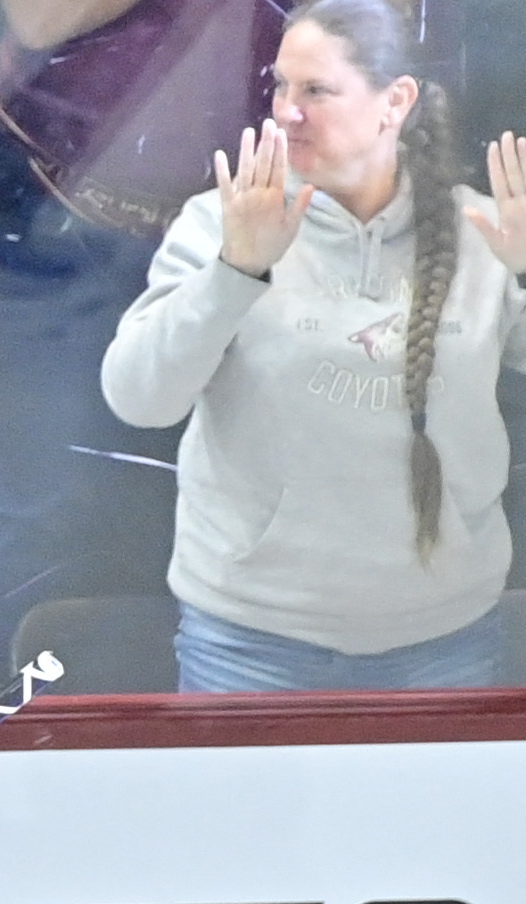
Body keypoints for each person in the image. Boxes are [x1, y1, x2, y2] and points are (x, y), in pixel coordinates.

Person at [102, 0, 526, 693]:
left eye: (316, 91)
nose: (284, 113)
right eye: (279, 86)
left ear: (394, 102)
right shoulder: (221, 220)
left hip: (443, 641)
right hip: (249, 642)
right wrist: (234, 271)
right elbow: (137, 399)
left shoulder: (483, 227)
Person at [0, 0, 286, 674]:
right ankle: (3, 728)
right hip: (74, 223)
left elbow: (377, 39)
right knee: (44, 496)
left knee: (256, 501)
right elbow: (36, 20)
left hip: (270, 221)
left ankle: (217, 717)